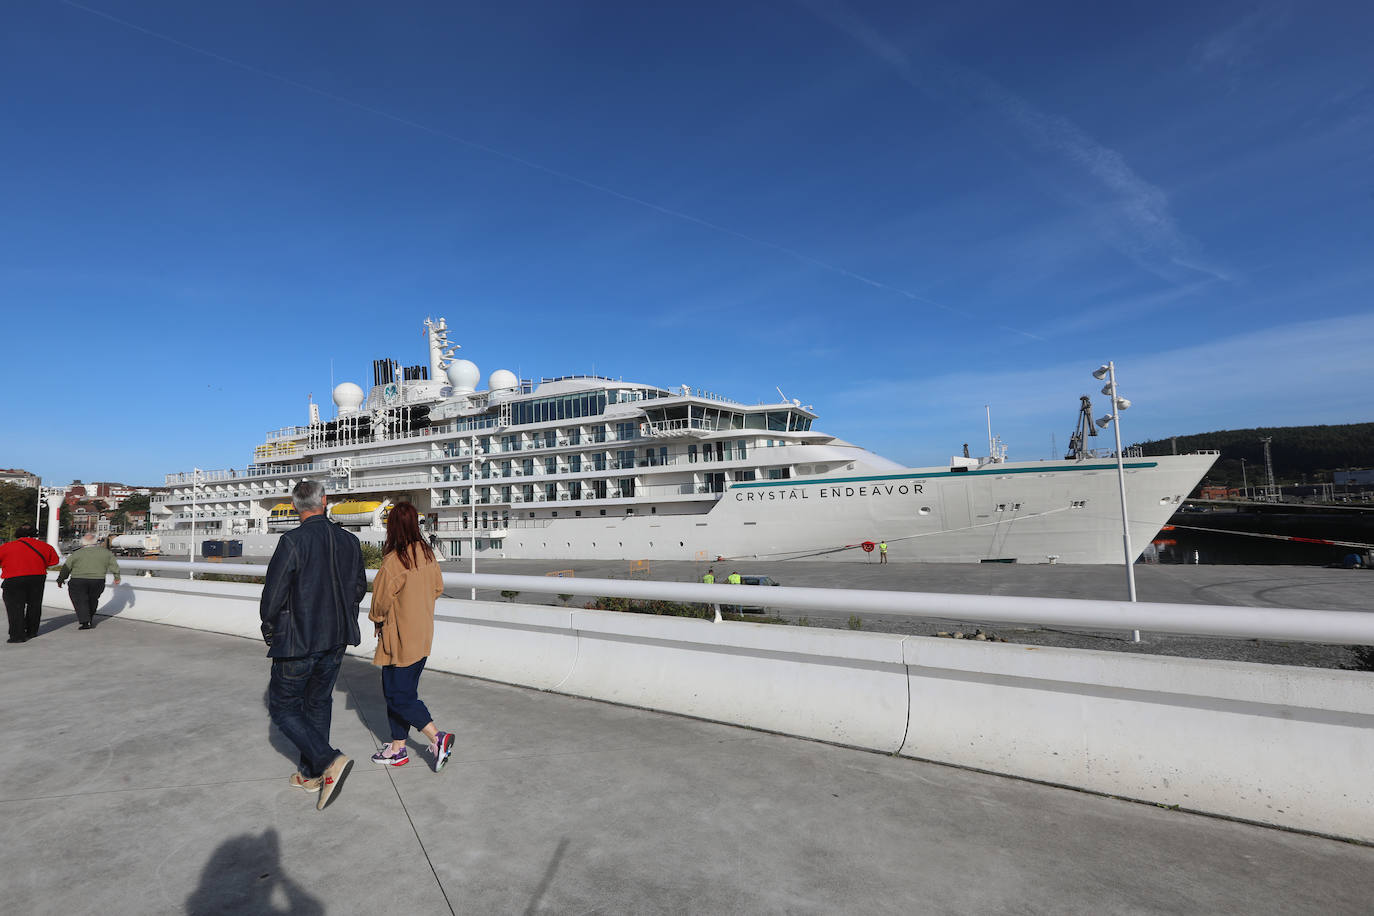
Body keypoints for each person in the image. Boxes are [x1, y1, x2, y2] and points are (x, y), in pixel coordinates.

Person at [260, 480, 366, 810]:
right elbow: (359, 588)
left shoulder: (292, 541)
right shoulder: (350, 541)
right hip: (336, 637)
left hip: (298, 638)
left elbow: (273, 594)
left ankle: (328, 760)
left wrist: (269, 627)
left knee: (282, 706)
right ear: (325, 502)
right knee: (318, 702)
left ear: (295, 507)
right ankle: (310, 775)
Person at [367, 502, 455, 772]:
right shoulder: (427, 554)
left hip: (399, 638)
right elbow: (438, 588)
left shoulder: (395, 560)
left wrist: (379, 621)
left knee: (397, 695)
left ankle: (437, 737)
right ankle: (397, 748)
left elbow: (380, 603)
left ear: (392, 526)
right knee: (403, 691)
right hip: (423, 633)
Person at [1, 524, 61, 643]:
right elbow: (54, 561)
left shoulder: (6, 547)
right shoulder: (46, 546)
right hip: (37, 577)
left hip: (14, 578)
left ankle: (17, 635)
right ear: (35, 533)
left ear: (17, 533)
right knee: (34, 605)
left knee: (15, 607)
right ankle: (32, 631)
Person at [56, 533, 121, 629]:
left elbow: (67, 568)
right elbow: (114, 565)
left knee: (80, 600)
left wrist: (61, 579)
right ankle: (89, 617)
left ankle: (85, 621)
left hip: (78, 580)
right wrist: (117, 577)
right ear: (95, 542)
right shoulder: (105, 553)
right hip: (98, 580)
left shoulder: (76, 553)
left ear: (83, 543)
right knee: (93, 599)